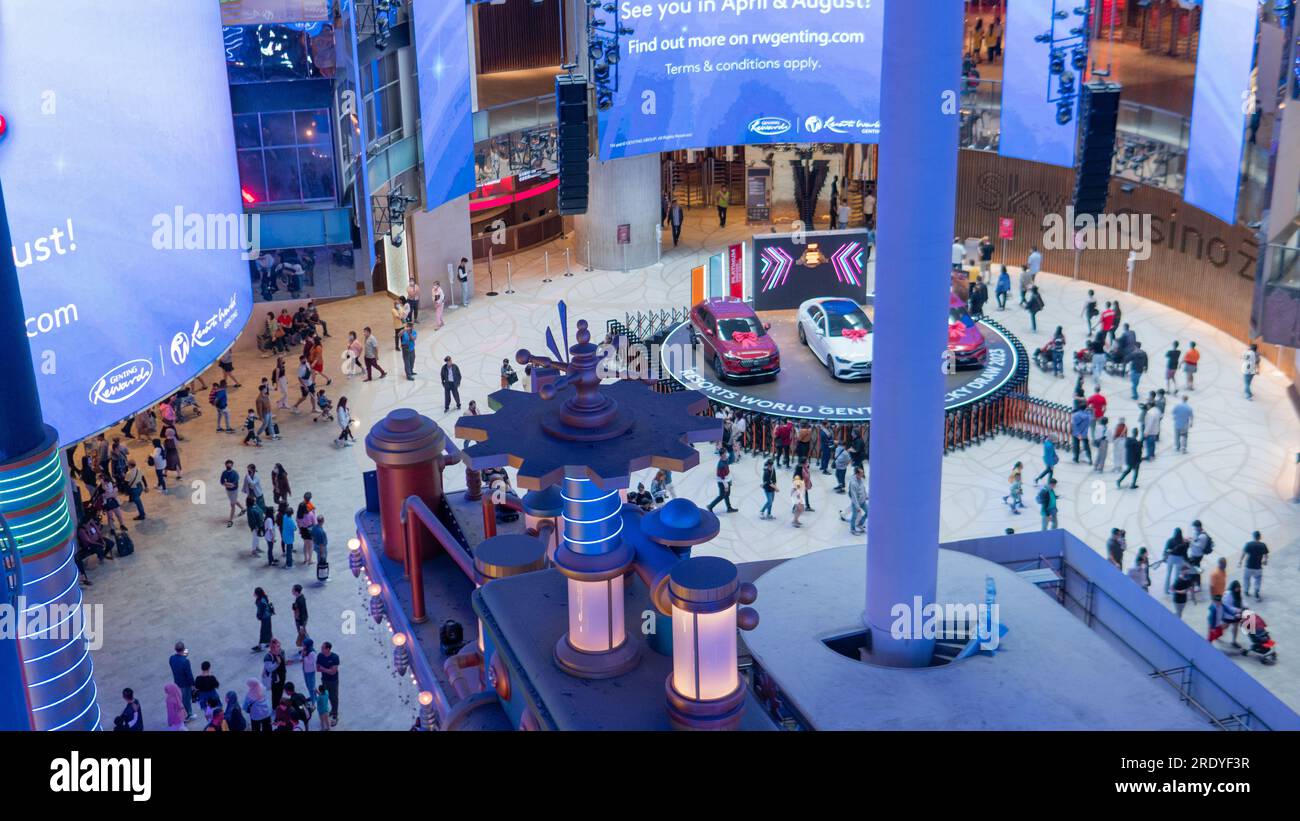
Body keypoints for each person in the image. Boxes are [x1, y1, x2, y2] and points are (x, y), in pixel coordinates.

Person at [169, 641, 196, 722]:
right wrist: (193, 684)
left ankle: (186, 713)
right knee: (186, 699)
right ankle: (187, 715)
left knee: (180, 699)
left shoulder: (171, 658)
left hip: (177, 682)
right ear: (183, 649)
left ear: (175, 649)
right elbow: (189, 674)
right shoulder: (185, 661)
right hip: (185, 684)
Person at [1239, 531, 1268, 599]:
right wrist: (1265, 561)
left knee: (1246, 578)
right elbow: (1266, 556)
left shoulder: (1248, 544)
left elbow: (1243, 554)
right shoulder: (1263, 545)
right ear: (1260, 537)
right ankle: (1256, 591)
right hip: (1258, 566)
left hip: (1248, 566)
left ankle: (1246, 591)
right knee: (1258, 578)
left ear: (1253, 536)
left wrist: (1240, 562)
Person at [317, 641, 340, 726]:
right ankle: (332, 710)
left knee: (334, 697)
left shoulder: (335, 657)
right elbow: (318, 669)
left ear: (328, 649)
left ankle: (335, 715)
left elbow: (333, 672)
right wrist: (327, 670)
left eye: (323, 648)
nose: (321, 649)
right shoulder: (320, 656)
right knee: (327, 696)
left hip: (333, 681)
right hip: (324, 680)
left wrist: (323, 668)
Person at [1162, 528, 1189, 594]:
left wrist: (1164, 557)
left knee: (1168, 574)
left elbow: (1165, 550)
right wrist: (1187, 560)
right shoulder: (1183, 542)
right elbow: (1184, 553)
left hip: (1170, 558)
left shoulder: (1170, 540)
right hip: (1179, 559)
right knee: (1177, 576)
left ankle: (1166, 590)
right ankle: (1175, 591)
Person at [263, 638, 288, 708]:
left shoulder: (282, 652)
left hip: (282, 675)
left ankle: (279, 704)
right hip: (275, 679)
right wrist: (277, 663)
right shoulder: (268, 657)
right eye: (276, 647)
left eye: (279, 646)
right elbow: (269, 668)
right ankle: (275, 707)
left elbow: (284, 661)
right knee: (275, 693)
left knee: (280, 691)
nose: (278, 648)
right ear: (272, 648)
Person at [845, 466, 868, 536]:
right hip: (856, 503)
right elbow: (854, 496)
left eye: (863, 472)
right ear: (857, 474)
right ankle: (852, 529)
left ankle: (860, 524)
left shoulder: (860, 479)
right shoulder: (853, 483)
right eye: (861, 473)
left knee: (869, 512)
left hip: (862, 501)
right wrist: (857, 507)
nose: (863, 474)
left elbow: (863, 489)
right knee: (854, 516)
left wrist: (866, 496)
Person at [220, 460, 243, 528]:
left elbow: (234, 484)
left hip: (234, 491)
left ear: (232, 465)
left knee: (232, 504)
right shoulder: (224, 473)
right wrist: (228, 484)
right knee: (234, 500)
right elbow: (221, 482)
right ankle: (243, 509)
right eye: (227, 465)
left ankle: (230, 520)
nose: (228, 466)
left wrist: (226, 484)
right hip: (228, 490)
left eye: (229, 465)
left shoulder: (235, 473)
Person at [253, 587, 274, 652]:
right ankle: (270, 642)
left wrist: (259, 617)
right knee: (268, 629)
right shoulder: (263, 597)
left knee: (263, 631)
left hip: (265, 617)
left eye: (255, 593)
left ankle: (261, 646)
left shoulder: (261, 601)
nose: (254, 594)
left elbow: (261, 611)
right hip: (267, 616)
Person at [279, 502, 296, 568]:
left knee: (288, 550)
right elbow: (294, 528)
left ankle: (289, 560)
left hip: (284, 535)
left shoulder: (284, 516)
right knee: (289, 551)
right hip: (289, 538)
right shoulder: (290, 520)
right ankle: (289, 564)